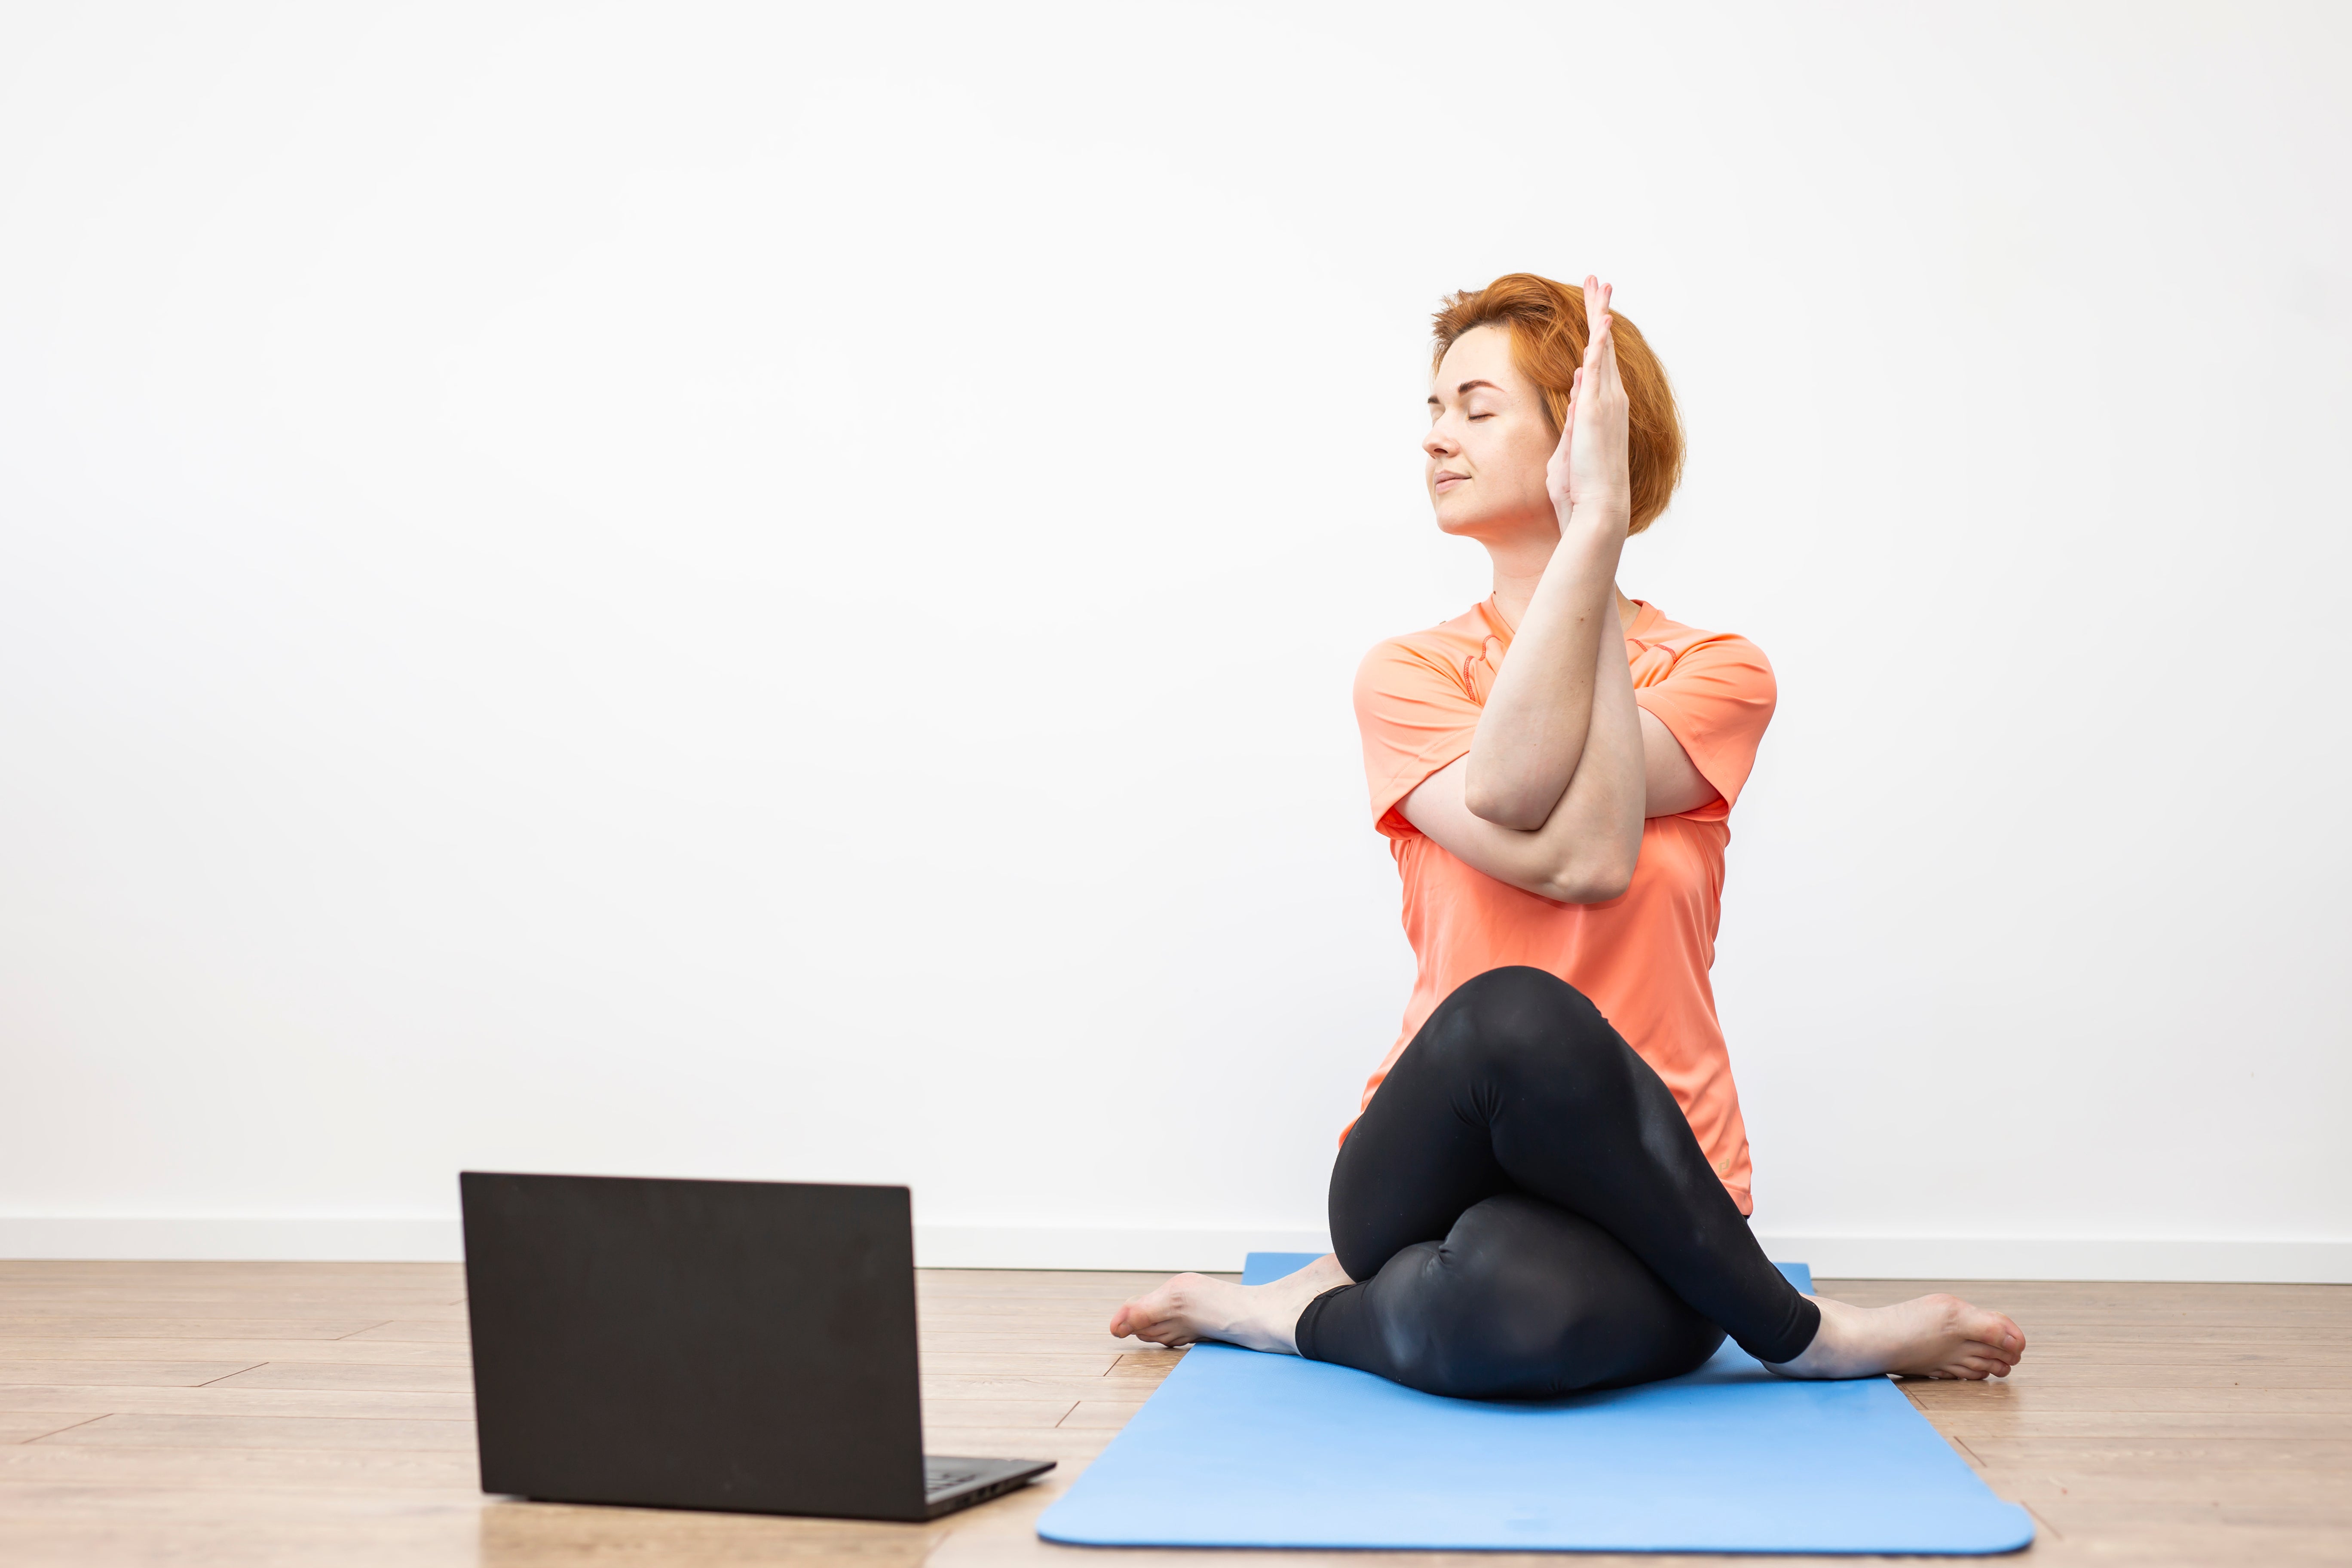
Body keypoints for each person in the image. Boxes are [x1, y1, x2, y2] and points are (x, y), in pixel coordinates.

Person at [1109, 273, 2026, 1398]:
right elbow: (1539, 813)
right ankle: (1805, 1335)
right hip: (1423, 1167)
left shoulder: (1716, 671)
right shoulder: (1409, 675)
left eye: (1475, 408)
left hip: (1663, 1186)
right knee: (1511, 1015)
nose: (1435, 437)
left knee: (1503, 1322)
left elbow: (1580, 851)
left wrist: (1594, 528)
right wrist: (1592, 534)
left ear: (1585, 434)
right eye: (1433, 409)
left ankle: (1285, 1314)